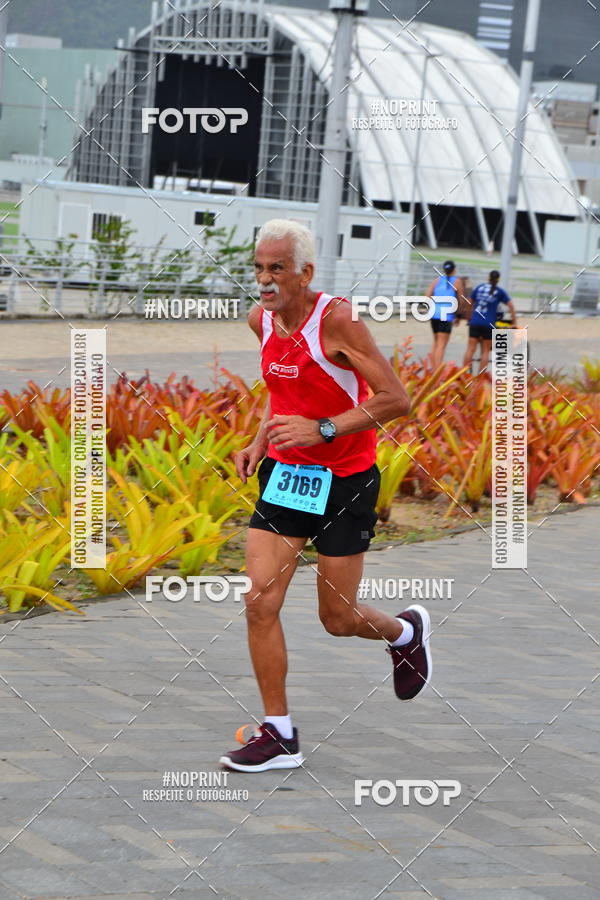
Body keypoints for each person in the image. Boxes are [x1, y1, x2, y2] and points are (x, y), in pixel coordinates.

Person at [219, 219, 433, 773]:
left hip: (345, 479)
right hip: (288, 478)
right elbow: (282, 394)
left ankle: (404, 632)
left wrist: (327, 429)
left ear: (305, 272)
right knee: (259, 603)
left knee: (337, 618)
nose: (265, 281)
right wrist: (258, 439)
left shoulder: (337, 320)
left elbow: (395, 398)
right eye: (259, 269)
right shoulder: (259, 320)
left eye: (277, 269)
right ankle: (279, 733)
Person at [463, 270, 518, 374]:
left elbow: (469, 303)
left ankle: (464, 376)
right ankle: (480, 379)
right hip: (488, 324)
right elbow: (511, 306)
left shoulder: (479, 288)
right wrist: (514, 322)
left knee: (470, 349)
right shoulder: (499, 291)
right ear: (498, 280)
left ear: (488, 278)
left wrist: (469, 317)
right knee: (485, 351)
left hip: (475, 321)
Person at [425, 260, 465, 370]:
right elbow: (461, 300)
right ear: (454, 269)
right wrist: (459, 316)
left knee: (435, 342)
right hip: (446, 315)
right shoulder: (457, 281)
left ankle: (432, 368)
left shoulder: (437, 280)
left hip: (434, 314)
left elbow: (427, 296)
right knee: (441, 345)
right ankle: (437, 371)